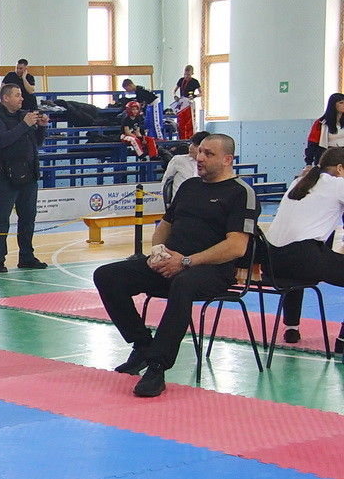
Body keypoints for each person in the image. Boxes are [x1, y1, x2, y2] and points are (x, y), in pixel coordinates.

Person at [93, 134, 259, 397]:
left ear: (227, 160)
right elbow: (165, 225)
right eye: (200, 152)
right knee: (107, 275)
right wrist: (158, 251)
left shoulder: (241, 193)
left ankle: (157, 367)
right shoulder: (190, 186)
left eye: (208, 154)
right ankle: (143, 345)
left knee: (183, 284)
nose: (199, 158)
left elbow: (236, 247)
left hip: (212, 271)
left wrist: (186, 261)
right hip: (172, 262)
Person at [264, 147, 344, 345]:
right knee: (306, 255)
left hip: (271, 261)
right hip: (302, 259)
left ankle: (291, 328)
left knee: (300, 262)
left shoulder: (299, 182)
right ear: (340, 168)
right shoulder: (337, 184)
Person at [0, 83, 49, 272]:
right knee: (1, 219)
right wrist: (25, 125)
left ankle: (27, 257)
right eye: (17, 95)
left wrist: (41, 128)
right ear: (5, 98)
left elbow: (37, 142)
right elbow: (2, 140)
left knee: (28, 218)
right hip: (5, 177)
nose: (21, 98)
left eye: (21, 95)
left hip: (28, 175)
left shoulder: (24, 115)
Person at [161, 131, 209, 206]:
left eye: (195, 145)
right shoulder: (178, 160)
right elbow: (165, 181)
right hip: (179, 205)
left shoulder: (211, 164)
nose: (191, 147)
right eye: (191, 144)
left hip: (202, 205)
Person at [304, 93, 344, 167]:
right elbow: (312, 144)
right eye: (341, 103)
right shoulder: (321, 123)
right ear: (333, 105)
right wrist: (309, 163)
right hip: (328, 156)